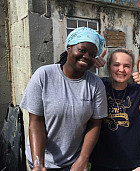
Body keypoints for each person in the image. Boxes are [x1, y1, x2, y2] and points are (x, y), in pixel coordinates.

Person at [20, 27, 108, 171]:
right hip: (42, 160)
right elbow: (36, 122)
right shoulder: (43, 76)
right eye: (82, 50)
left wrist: (83, 159)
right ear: (69, 48)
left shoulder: (95, 84)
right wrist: (38, 164)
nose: (86, 56)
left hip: (73, 163)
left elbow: (95, 124)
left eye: (92, 54)